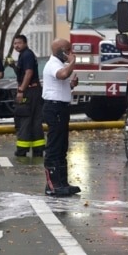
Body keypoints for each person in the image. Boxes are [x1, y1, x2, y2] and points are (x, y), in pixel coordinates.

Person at [41, 38, 80, 196]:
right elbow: (63, 75)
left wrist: (72, 85)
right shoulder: (53, 65)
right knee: (54, 147)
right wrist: (73, 62)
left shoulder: (59, 65)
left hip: (61, 108)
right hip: (54, 108)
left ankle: (62, 182)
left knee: (62, 147)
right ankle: (52, 185)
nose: (71, 53)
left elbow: (61, 82)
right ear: (62, 52)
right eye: (69, 50)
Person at [12, 34, 45, 157]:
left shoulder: (26, 54)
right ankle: (38, 149)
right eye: (15, 43)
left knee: (24, 118)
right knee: (36, 120)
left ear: (25, 43)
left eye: (19, 43)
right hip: (35, 91)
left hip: (29, 91)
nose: (16, 46)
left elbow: (29, 73)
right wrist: (13, 66)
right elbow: (23, 72)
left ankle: (22, 150)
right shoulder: (26, 55)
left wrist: (21, 90)